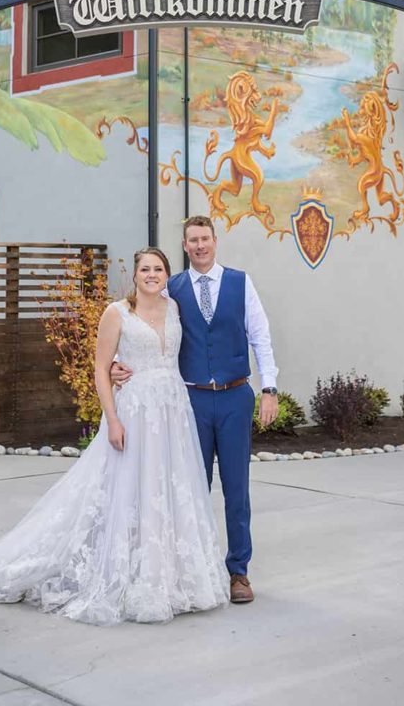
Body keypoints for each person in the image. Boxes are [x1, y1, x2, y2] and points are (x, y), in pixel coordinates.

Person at [0, 247, 229, 626]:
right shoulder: (117, 312)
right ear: (135, 275)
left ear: (167, 274)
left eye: (158, 269)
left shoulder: (174, 309)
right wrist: (114, 420)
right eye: (145, 269)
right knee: (124, 491)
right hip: (134, 412)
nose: (151, 275)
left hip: (172, 411)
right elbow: (101, 370)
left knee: (166, 490)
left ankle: (168, 575)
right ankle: (122, 572)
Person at [112, 215, 279, 605]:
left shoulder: (241, 282)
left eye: (205, 239)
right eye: (192, 240)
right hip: (192, 400)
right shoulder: (172, 289)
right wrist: (119, 361)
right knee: (190, 487)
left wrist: (269, 387)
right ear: (185, 246)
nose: (200, 246)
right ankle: (192, 569)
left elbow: (261, 336)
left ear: (215, 242)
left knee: (237, 489)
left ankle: (238, 571)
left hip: (236, 397)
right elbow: (144, 325)